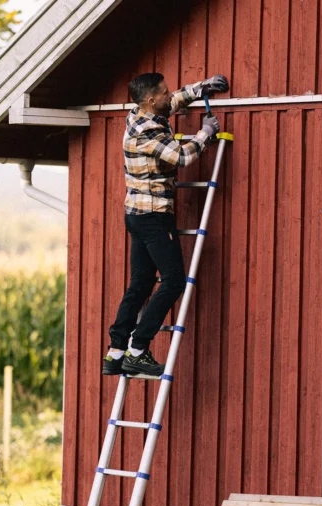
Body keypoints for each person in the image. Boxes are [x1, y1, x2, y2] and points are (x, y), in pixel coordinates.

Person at [102, 72, 229, 377]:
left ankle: (116, 352)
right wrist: (205, 134)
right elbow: (181, 158)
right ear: (150, 100)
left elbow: (172, 103)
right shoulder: (146, 131)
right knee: (173, 281)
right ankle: (138, 349)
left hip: (138, 214)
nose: (168, 94)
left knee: (141, 283)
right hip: (153, 217)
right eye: (163, 92)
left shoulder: (144, 113)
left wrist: (201, 88)